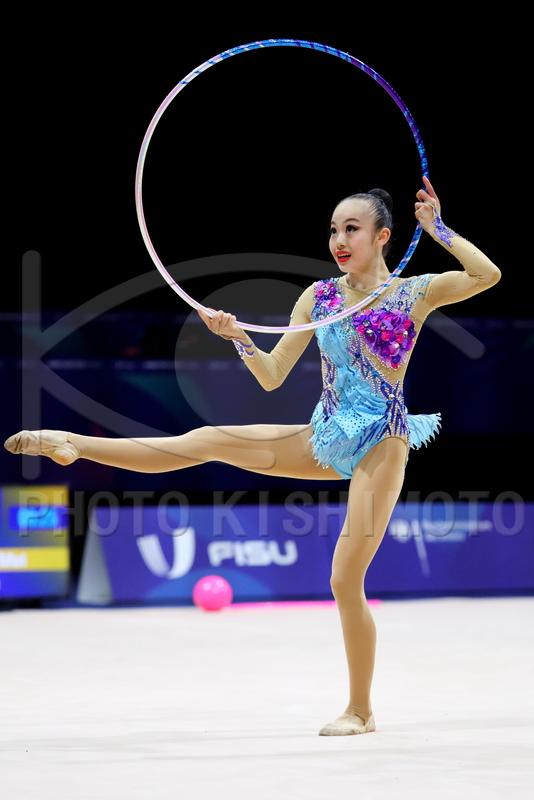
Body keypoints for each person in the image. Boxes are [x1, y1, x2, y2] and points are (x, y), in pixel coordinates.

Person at [5, 176, 500, 736]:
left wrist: (439, 230)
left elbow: (487, 275)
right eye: (333, 230)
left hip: (382, 439)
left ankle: (360, 711)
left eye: (352, 229)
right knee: (209, 438)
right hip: (326, 433)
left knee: (344, 578)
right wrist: (238, 337)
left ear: (384, 236)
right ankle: (74, 443)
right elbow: (271, 375)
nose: (339, 240)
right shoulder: (319, 297)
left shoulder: (413, 292)